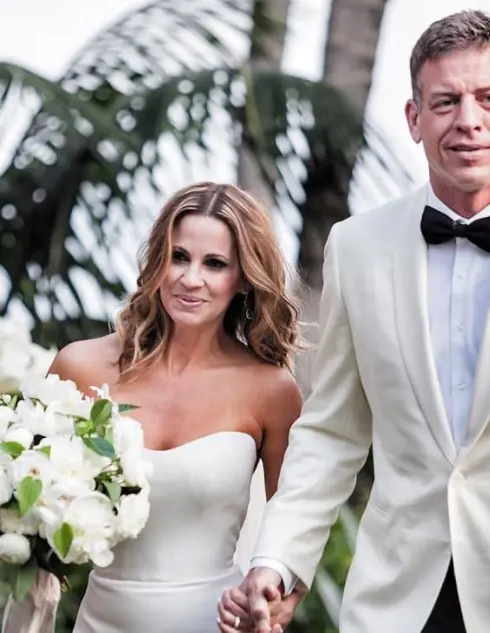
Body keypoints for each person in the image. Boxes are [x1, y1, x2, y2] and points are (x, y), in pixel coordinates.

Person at [218, 9, 490, 633]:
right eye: (445, 101)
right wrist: (277, 560)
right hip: (398, 604)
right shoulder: (356, 247)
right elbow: (332, 433)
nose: (468, 121)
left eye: (488, 99)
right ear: (414, 119)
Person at [47, 182, 304, 633]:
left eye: (215, 264)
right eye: (179, 256)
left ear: (243, 277)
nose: (190, 279)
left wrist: (281, 599)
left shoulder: (272, 391)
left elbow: (296, 521)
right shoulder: (79, 367)